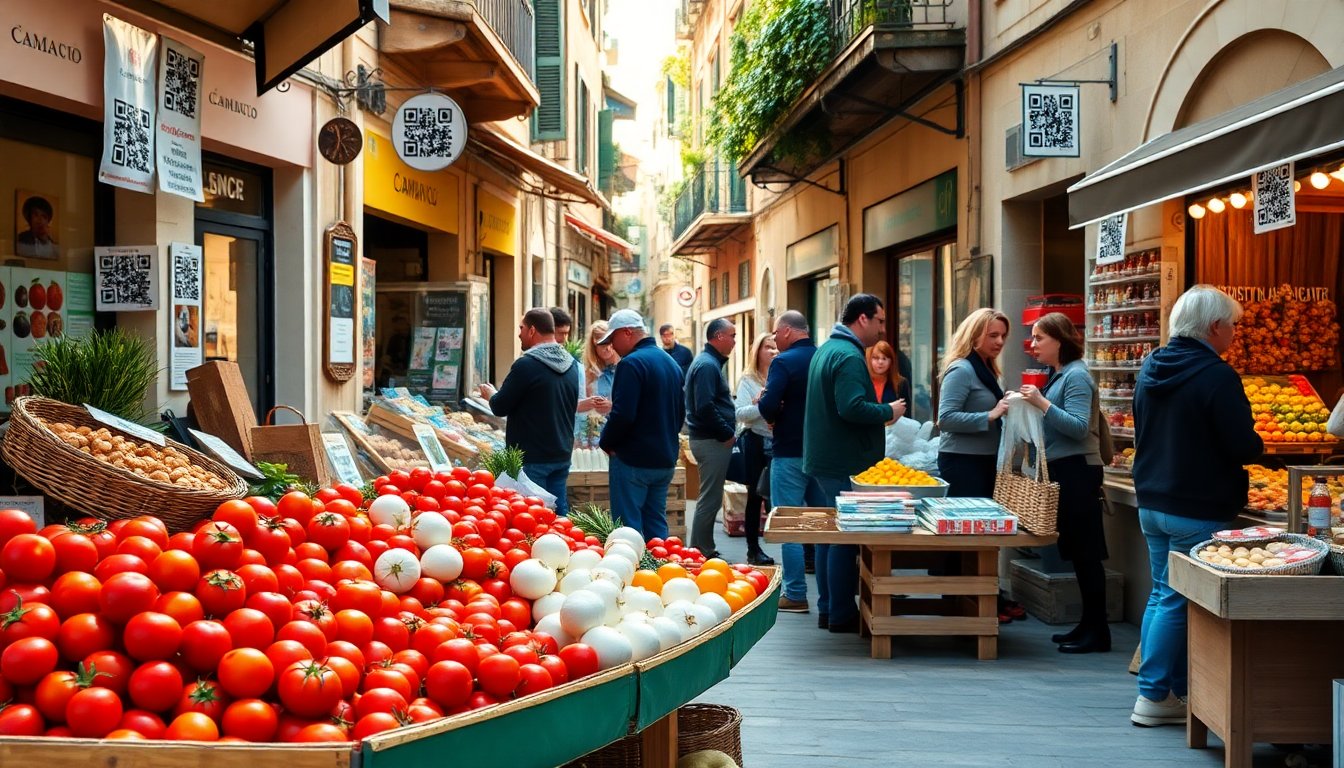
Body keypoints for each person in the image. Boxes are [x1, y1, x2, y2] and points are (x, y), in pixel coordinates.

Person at [1130, 286, 1262, 727]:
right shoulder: (1218, 376)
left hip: (1152, 499)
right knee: (1175, 598)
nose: (1235, 334)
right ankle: (1153, 696)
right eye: (1234, 326)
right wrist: (1261, 447)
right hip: (1196, 503)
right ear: (1214, 327)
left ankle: (1169, 690)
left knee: (1161, 593)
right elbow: (1243, 443)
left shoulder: (1152, 365)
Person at [804, 294, 904, 633]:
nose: (882, 329)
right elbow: (852, 407)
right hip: (842, 460)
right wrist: (888, 411)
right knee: (843, 539)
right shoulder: (847, 355)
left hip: (826, 458)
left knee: (831, 537)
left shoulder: (827, 350)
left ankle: (829, 608)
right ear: (862, 319)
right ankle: (840, 613)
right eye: (879, 321)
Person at [1020, 312, 1107, 653]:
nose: (1034, 344)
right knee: (1077, 553)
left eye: (1040, 337)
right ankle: (1087, 625)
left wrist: (1040, 403)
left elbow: (1078, 426)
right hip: (1065, 470)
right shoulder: (1058, 375)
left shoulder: (1077, 376)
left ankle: (1097, 631)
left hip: (1079, 471)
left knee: (1087, 554)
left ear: (1060, 340)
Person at [478, 309, 581, 515]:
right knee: (559, 518)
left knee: (533, 517)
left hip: (531, 457)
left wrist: (490, 394)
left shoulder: (526, 365)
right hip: (561, 453)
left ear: (532, 330)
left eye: (521, 328)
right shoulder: (571, 365)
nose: (519, 334)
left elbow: (500, 406)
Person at [599, 309, 685, 538]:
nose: (611, 347)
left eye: (612, 339)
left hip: (633, 460)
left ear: (626, 332)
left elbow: (622, 415)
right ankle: (660, 570)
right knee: (656, 526)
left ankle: (636, 573)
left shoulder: (631, 364)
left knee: (627, 531)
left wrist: (606, 443)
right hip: (663, 459)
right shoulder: (671, 363)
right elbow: (680, 415)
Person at [759, 310, 822, 613]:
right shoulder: (825, 357)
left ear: (786, 331)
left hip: (789, 453)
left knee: (790, 525)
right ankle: (830, 597)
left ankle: (796, 594)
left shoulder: (783, 362)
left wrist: (772, 412)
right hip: (823, 455)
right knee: (826, 526)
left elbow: (769, 405)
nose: (773, 339)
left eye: (775, 333)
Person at [937, 309, 1011, 497]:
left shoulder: (988, 369)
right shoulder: (962, 369)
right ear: (974, 335)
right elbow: (945, 419)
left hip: (985, 459)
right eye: (993, 335)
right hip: (963, 462)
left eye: (1003, 336)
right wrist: (990, 415)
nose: (1000, 342)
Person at [686, 318, 739, 559]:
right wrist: (726, 433)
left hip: (710, 439)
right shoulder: (707, 365)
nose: (734, 341)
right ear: (719, 337)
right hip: (711, 441)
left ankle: (702, 547)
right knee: (710, 497)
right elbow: (704, 407)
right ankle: (700, 550)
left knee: (711, 496)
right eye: (732, 335)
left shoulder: (709, 362)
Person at [734, 332, 778, 567]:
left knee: (781, 498)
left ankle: (805, 550)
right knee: (755, 496)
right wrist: (763, 405)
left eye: (775, 347)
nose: (773, 351)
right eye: (768, 347)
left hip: (779, 442)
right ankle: (753, 549)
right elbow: (740, 414)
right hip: (756, 443)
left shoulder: (782, 374)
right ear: (757, 351)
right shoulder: (748, 380)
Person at [576, 321, 617, 438]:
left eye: (610, 342)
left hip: (618, 434)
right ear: (594, 346)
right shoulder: (585, 373)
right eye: (602, 343)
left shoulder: (624, 368)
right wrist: (586, 403)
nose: (608, 348)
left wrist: (612, 406)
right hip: (592, 434)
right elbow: (572, 405)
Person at [866, 340, 911, 409]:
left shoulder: (901, 383)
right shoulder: (862, 380)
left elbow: (906, 412)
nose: (880, 362)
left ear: (891, 361)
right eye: (876, 358)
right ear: (869, 360)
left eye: (884, 358)